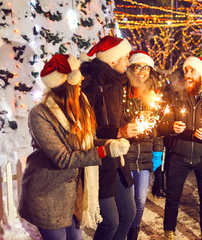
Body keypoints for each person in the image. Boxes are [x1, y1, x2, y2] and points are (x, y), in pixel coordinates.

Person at [18, 54, 130, 240]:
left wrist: (111, 144)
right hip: (47, 194)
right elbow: (64, 158)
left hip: (72, 194)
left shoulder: (81, 105)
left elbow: (88, 141)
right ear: (65, 81)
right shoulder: (40, 114)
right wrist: (104, 151)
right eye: (78, 74)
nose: (83, 78)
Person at [158, 56, 202, 240]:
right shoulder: (174, 95)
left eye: (192, 71)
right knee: (172, 197)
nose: (187, 74)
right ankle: (169, 231)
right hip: (178, 154)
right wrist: (171, 127)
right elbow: (162, 123)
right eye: (186, 70)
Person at [80, 36, 137, 240]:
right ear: (112, 60)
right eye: (125, 57)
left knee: (129, 213)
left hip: (118, 158)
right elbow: (88, 130)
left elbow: (117, 118)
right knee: (110, 222)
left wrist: (129, 127)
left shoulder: (116, 83)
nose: (128, 62)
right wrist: (118, 132)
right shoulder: (90, 83)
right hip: (100, 159)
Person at [123, 50, 164, 240]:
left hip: (146, 155)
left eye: (146, 67)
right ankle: (123, 232)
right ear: (131, 68)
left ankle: (133, 231)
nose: (142, 71)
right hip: (127, 155)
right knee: (127, 202)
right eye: (138, 66)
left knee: (140, 200)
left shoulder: (154, 95)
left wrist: (158, 152)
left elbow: (158, 128)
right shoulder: (123, 93)